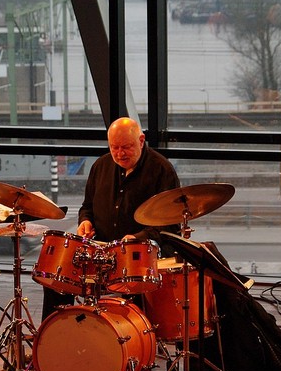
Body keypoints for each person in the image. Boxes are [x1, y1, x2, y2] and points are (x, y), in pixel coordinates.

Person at [41, 117, 180, 322]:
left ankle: (133, 341)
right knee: (56, 280)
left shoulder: (162, 170)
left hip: (141, 255)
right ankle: (54, 339)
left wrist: (138, 238)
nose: (120, 153)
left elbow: (170, 225)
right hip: (101, 252)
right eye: (114, 147)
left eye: (126, 147)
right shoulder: (100, 166)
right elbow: (87, 207)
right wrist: (85, 221)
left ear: (141, 140)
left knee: (134, 287)